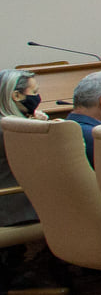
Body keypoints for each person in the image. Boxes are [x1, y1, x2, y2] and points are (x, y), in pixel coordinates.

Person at [0, 69, 48, 226]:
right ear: (16, 96)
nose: (38, 97)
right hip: (16, 209)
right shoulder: (11, 131)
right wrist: (41, 127)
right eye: (34, 92)